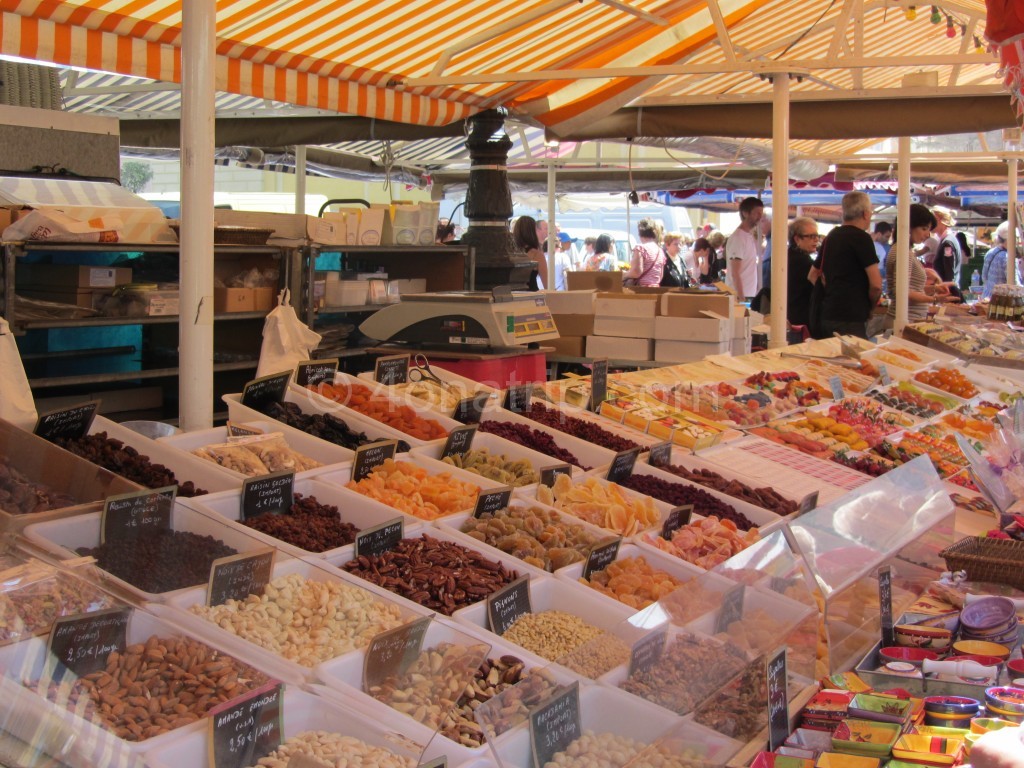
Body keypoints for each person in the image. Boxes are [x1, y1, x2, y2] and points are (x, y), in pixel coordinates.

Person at [811, 190, 882, 339]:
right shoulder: (862, 238)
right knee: (853, 361)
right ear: (865, 214)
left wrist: (831, 289)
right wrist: (871, 308)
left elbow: (812, 275)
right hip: (852, 317)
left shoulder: (831, 237)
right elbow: (876, 285)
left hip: (828, 314)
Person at [882, 204, 952, 329]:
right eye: (924, 228)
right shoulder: (902, 251)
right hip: (904, 323)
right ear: (909, 226)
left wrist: (934, 289)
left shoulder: (903, 250)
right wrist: (934, 299)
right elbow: (903, 292)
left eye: (929, 230)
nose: (927, 234)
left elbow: (910, 289)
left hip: (907, 320)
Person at [725, 196, 765, 301]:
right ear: (745, 213)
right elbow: (735, 272)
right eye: (757, 213)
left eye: (761, 213)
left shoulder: (748, 236)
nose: (760, 217)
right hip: (740, 296)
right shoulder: (738, 238)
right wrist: (741, 298)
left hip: (747, 294)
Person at [785, 217, 819, 327]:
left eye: (816, 236)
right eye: (811, 236)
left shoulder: (787, 256)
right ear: (797, 239)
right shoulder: (802, 261)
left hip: (790, 316)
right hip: (800, 320)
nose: (816, 240)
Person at [982, 221, 1022, 299]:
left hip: (987, 298)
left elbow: (984, 277)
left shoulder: (990, 252)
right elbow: (1015, 285)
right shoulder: (1008, 258)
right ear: (1011, 239)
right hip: (1001, 303)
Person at [624, 218, 666, 287]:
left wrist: (624, 275)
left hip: (641, 290)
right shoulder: (660, 251)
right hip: (656, 289)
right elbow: (660, 275)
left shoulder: (641, 248)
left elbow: (636, 272)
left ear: (640, 233)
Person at [512, 215, 547, 290]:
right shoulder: (536, 255)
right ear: (532, 232)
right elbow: (547, 284)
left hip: (513, 296)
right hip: (531, 296)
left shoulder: (511, 253)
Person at [931, 206, 962, 286]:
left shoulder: (947, 242)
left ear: (942, 220)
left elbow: (949, 273)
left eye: (933, 220)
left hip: (947, 290)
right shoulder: (947, 240)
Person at [872, 221, 892, 292]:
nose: (888, 239)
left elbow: (889, 267)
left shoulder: (888, 249)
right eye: (887, 236)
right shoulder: (868, 245)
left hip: (883, 285)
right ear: (879, 234)